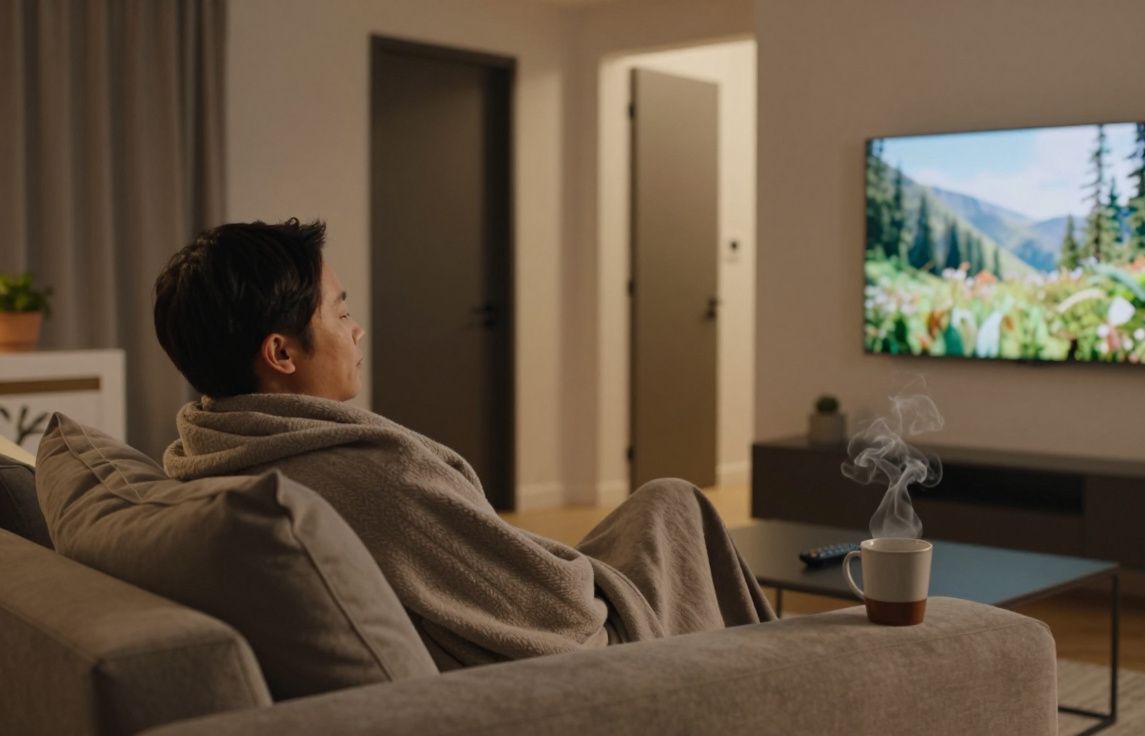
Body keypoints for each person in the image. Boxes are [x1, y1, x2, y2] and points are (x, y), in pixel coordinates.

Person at [153, 218, 775, 670]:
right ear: (281, 353)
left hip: (486, 629)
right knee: (676, 505)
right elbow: (562, 614)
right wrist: (578, 573)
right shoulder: (374, 480)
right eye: (339, 313)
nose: (356, 329)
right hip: (553, 673)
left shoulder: (208, 458)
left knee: (656, 509)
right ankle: (769, 678)